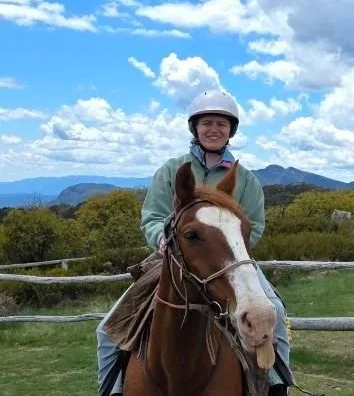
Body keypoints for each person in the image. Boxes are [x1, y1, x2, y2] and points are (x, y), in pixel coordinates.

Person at [96, 89, 293, 396]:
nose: (214, 129)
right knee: (109, 328)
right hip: (172, 258)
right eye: (207, 123)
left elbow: (253, 227)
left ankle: (277, 385)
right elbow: (151, 216)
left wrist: (230, 250)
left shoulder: (247, 180)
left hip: (231, 262)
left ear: (231, 131)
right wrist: (161, 239)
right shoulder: (171, 171)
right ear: (195, 128)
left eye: (222, 124)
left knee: (275, 315)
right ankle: (113, 389)